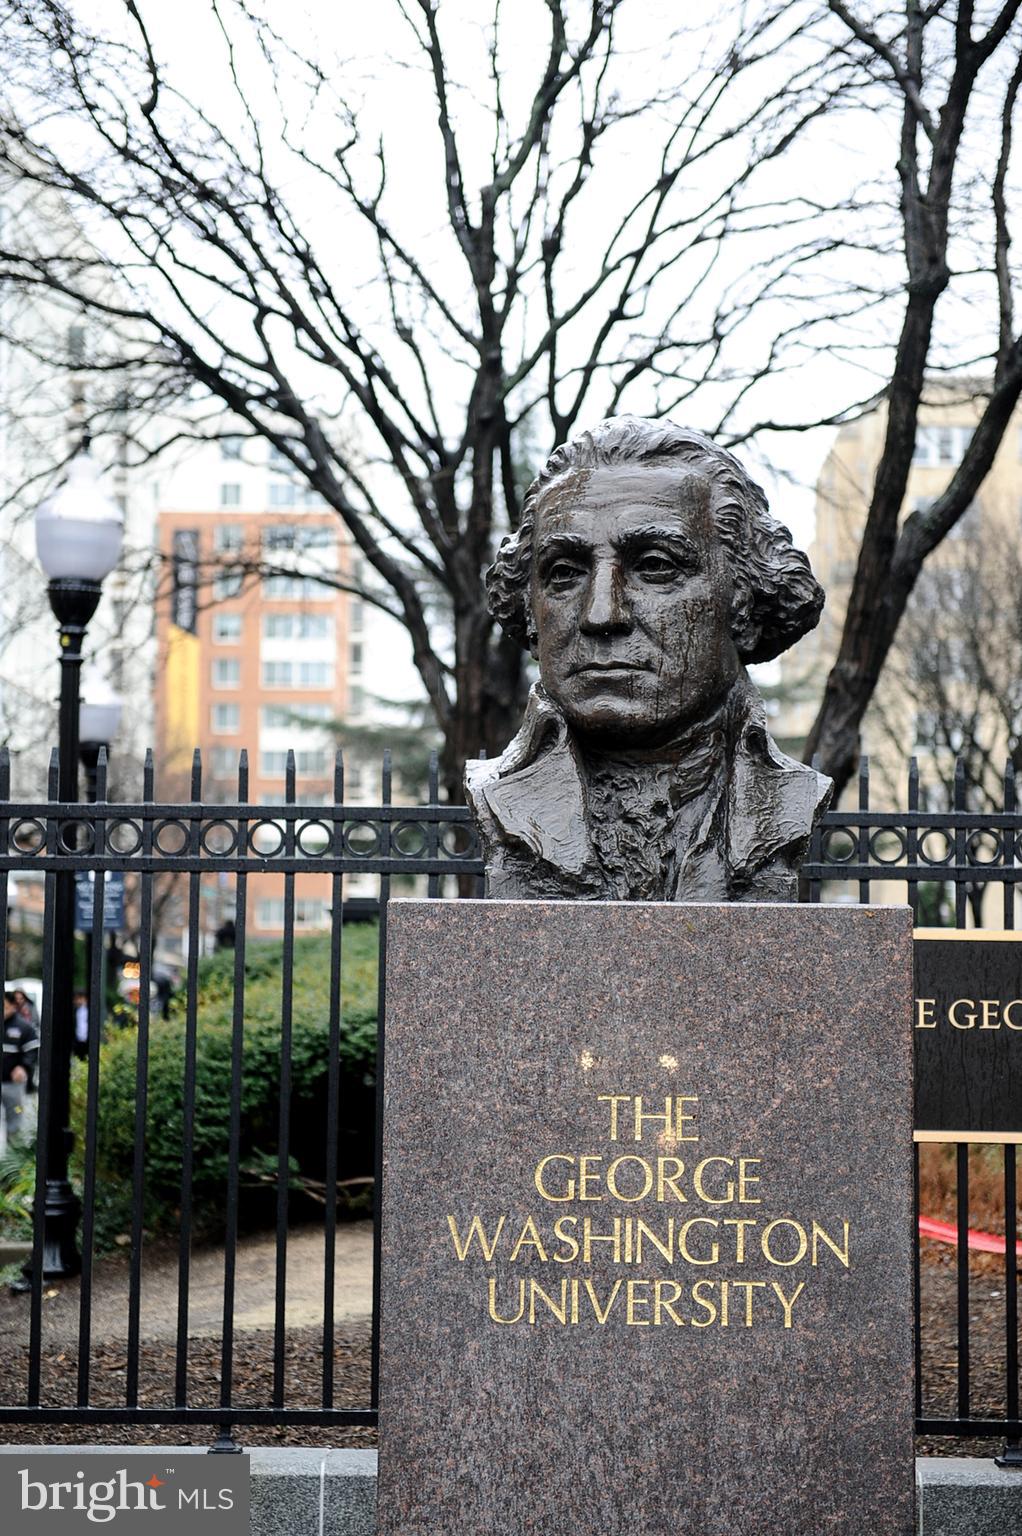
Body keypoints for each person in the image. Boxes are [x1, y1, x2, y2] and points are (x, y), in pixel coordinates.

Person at [466, 415, 833, 901]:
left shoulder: (788, 802)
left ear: (741, 601)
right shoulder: (499, 797)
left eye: (655, 566)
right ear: (530, 616)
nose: (602, 614)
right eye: (563, 573)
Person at [2, 989, 38, 1144]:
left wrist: (23, 1067)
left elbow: (32, 1051)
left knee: (14, 1122)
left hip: (12, 1084)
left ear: (12, 1006)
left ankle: (12, 1163)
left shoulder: (24, 1027)